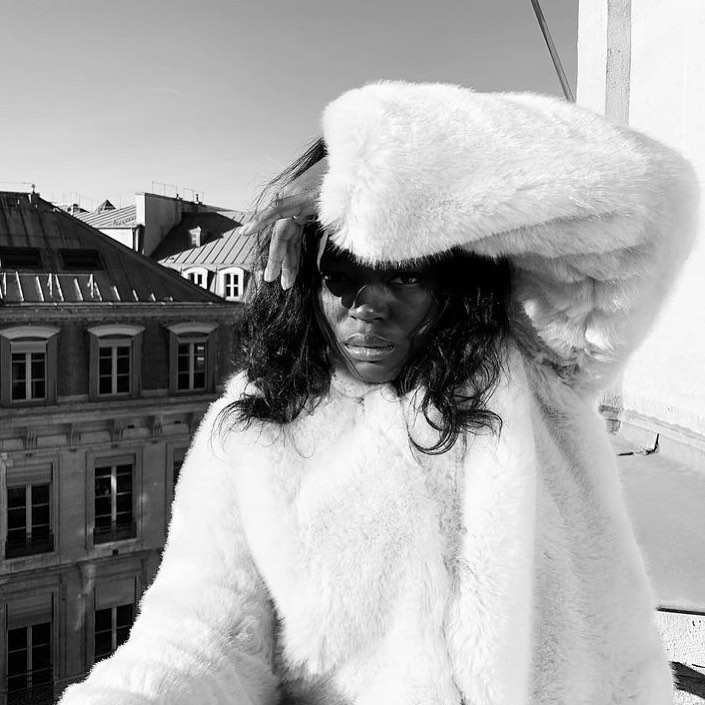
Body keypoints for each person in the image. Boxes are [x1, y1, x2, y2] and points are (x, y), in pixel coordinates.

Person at [59, 81, 698, 705]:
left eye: (406, 275)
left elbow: (648, 198)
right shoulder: (256, 427)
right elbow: (204, 631)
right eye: (340, 274)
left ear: (455, 279)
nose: (368, 306)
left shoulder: (539, 361)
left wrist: (361, 176)